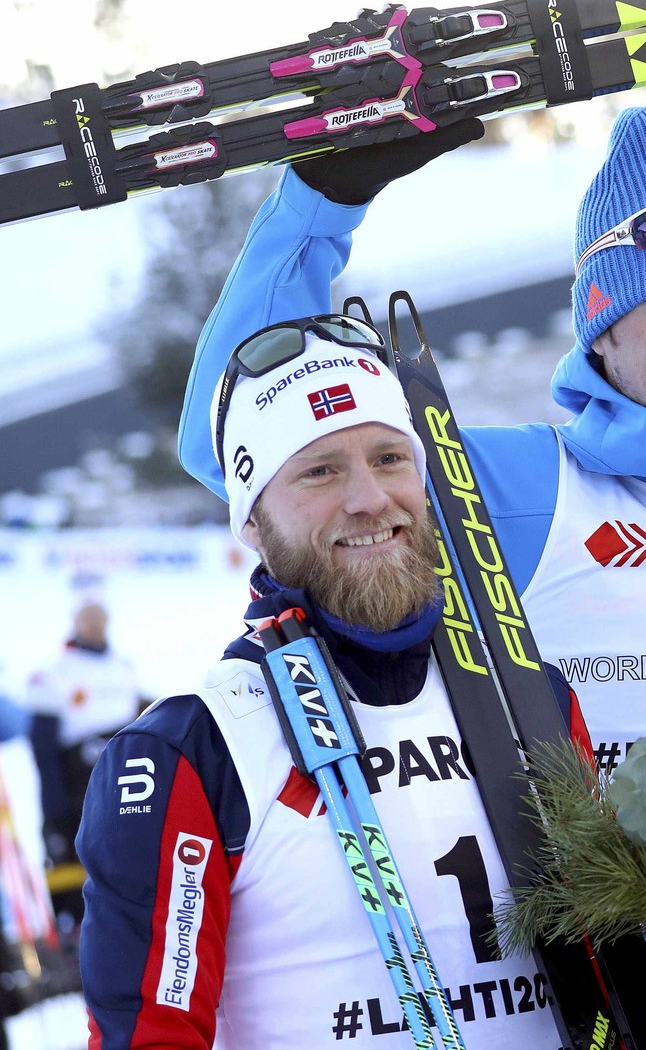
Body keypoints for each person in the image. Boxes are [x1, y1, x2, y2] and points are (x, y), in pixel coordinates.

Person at [167, 107, 646, 1048]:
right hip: (626, 993)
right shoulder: (520, 481)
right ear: (599, 332)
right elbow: (247, 435)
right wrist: (324, 200)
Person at [77, 323, 579, 1048]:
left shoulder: (534, 698)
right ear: (252, 518)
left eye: (389, 457)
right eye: (319, 471)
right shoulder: (191, 750)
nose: (371, 498)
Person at [26, 598, 150, 929]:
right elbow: (43, 746)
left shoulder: (122, 667)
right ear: (75, 622)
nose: (95, 625)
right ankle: (74, 932)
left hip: (122, 774)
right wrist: (53, 801)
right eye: (88, 618)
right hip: (76, 781)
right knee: (73, 857)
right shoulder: (55, 673)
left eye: (100, 618)